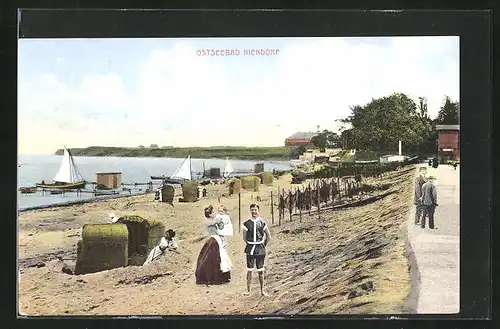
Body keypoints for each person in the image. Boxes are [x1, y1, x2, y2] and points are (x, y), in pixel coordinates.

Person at [195, 205, 233, 285]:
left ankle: (222, 276)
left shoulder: (215, 219)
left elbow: (221, 227)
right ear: (209, 214)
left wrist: (222, 220)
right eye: (213, 212)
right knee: (211, 259)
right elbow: (214, 222)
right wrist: (220, 218)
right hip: (213, 239)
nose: (214, 213)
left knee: (221, 258)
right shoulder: (207, 221)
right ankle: (211, 277)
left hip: (218, 239)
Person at [242, 203, 271, 297]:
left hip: (260, 248)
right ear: (250, 211)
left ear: (258, 211)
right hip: (250, 248)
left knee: (260, 270)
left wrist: (263, 245)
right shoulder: (246, 223)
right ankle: (248, 290)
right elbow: (244, 237)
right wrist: (250, 244)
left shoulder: (262, 222)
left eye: (255, 210)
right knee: (249, 270)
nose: (254, 211)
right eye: (252, 210)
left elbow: (268, 236)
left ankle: (262, 291)